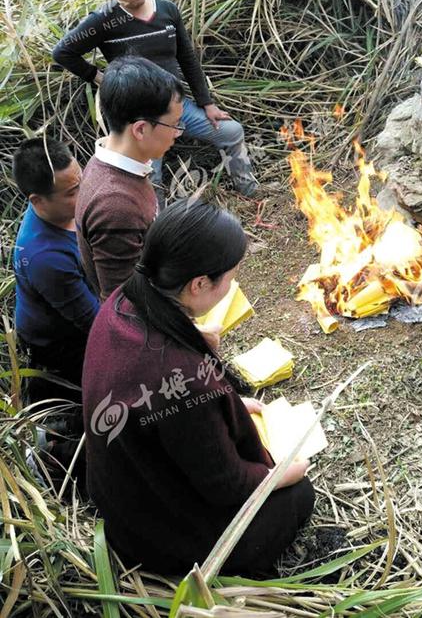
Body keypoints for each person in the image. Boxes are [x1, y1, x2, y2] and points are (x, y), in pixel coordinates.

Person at [82, 200, 314, 576]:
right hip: (153, 538)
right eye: (231, 277)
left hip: (122, 492)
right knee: (300, 496)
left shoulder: (123, 299)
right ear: (199, 284)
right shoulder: (183, 378)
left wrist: (228, 403)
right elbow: (226, 484)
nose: (233, 286)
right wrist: (286, 472)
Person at [52, 0, 258, 202]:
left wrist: (207, 103)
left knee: (232, 132)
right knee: (150, 174)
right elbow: (62, 52)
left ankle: (250, 192)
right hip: (141, 118)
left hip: (179, 106)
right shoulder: (104, 20)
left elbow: (187, 58)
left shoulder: (167, 10)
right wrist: (100, 79)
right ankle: (156, 228)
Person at [76, 55, 183, 301]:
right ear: (141, 129)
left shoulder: (109, 162)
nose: (177, 133)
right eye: (175, 124)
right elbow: (122, 304)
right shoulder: (115, 205)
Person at [13, 138, 99, 404]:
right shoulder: (45, 257)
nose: (86, 192)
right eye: (73, 191)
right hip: (57, 344)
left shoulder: (62, 210)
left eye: (82, 180)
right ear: (37, 200)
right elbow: (94, 321)